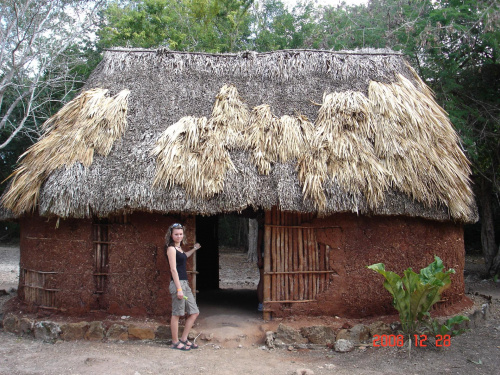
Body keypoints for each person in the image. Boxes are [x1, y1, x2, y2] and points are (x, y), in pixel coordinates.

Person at [165, 223, 201, 351]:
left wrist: (195, 249)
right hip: (178, 284)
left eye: (180, 234)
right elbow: (173, 269)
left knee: (194, 312)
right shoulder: (171, 249)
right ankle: (175, 342)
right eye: (176, 234)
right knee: (177, 314)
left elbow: (185, 256)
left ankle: (184, 339)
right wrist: (179, 288)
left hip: (184, 283)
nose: (179, 236)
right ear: (171, 235)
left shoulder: (179, 249)